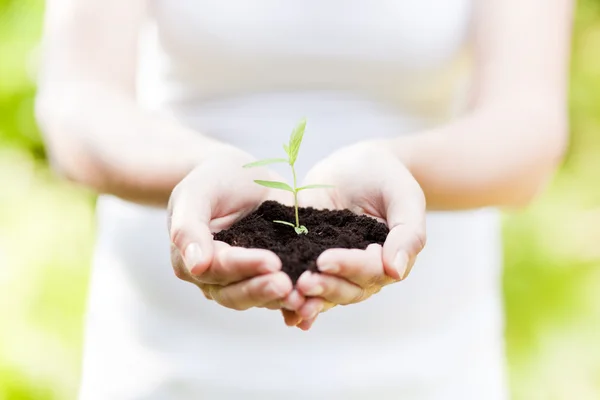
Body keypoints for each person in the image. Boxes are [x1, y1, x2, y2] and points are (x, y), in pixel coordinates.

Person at [35, 0, 572, 399]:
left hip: (424, 363)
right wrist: (195, 170)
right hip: (169, 362)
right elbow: (77, 103)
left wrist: (399, 164)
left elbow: (528, 124)